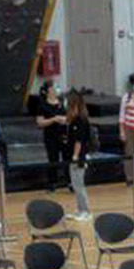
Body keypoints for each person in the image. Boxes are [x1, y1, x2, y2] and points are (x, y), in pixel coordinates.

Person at [31, 80, 69, 193]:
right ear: (48, 91)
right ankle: (52, 183)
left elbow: (70, 116)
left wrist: (65, 120)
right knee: (53, 159)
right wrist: (53, 119)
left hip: (64, 134)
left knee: (67, 158)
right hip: (50, 135)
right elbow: (39, 122)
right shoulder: (42, 105)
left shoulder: (62, 102)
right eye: (54, 87)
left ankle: (70, 182)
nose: (56, 89)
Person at [65, 91, 94, 220]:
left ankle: (86, 211)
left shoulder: (81, 121)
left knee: (79, 185)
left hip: (79, 157)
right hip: (72, 155)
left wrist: (75, 156)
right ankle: (80, 209)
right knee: (75, 184)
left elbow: (79, 141)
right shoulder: (74, 120)